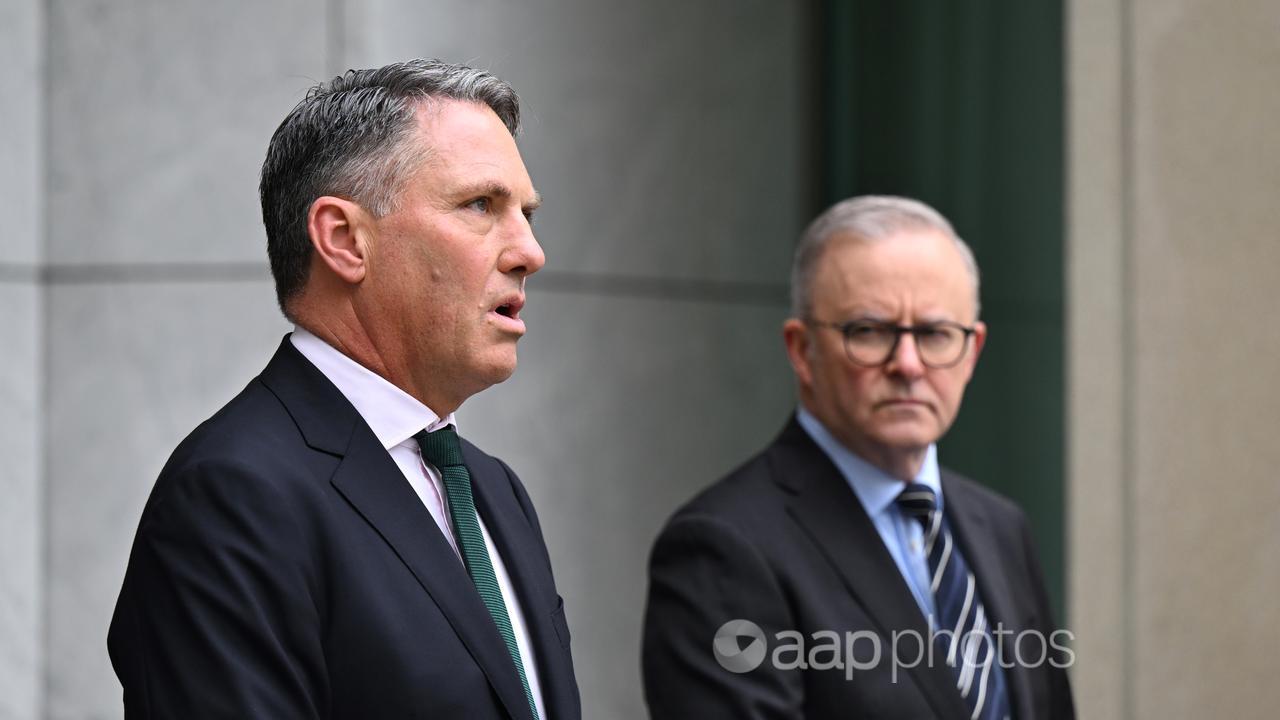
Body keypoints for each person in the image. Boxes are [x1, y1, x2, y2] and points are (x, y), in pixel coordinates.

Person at [108, 59, 579, 719]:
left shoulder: (494, 491)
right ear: (344, 240)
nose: (530, 250)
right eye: (481, 205)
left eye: (525, 214)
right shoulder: (233, 494)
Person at [642, 196, 1074, 719]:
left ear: (972, 351)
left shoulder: (1001, 527)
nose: (908, 365)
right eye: (869, 331)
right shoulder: (721, 547)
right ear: (802, 351)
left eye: (936, 334)